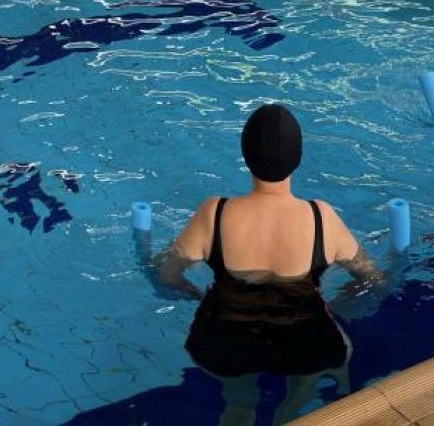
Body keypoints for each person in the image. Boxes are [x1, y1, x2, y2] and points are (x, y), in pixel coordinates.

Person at [160, 105, 379, 425]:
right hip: (305, 344)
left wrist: (195, 295)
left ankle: (239, 407)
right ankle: (293, 407)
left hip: (225, 343)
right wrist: (340, 301)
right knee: (326, 358)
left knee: (236, 400)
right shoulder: (321, 217)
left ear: (245, 155)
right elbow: (370, 276)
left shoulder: (215, 213)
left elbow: (168, 274)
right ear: (298, 158)